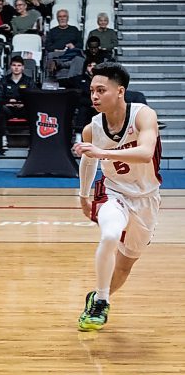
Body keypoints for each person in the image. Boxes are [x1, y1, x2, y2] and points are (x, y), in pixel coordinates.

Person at [74, 62, 162, 331]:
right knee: (110, 234)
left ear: (120, 91)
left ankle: (99, 296)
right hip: (113, 191)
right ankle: (101, 302)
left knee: (124, 267)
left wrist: (104, 153)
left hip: (146, 197)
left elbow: (146, 152)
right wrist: (83, 195)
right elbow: (88, 162)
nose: (94, 96)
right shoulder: (93, 128)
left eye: (101, 90)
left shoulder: (143, 116)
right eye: (92, 91)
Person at [0, 55, 35, 153]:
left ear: (23, 67)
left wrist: (23, 103)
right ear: (10, 67)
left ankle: (33, 142)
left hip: (24, 108)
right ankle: (3, 140)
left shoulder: (29, 81)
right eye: (14, 65)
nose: (16, 67)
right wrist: (7, 102)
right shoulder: (4, 81)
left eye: (19, 65)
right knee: (0, 110)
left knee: (34, 111)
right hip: (8, 109)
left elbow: (34, 96)